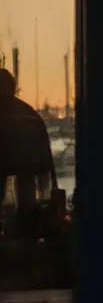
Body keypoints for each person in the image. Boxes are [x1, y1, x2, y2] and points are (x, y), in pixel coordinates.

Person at [0, 68, 56, 203]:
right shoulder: (30, 116)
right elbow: (47, 163)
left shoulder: (27, 117)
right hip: (28, 188)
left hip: (17, 187)